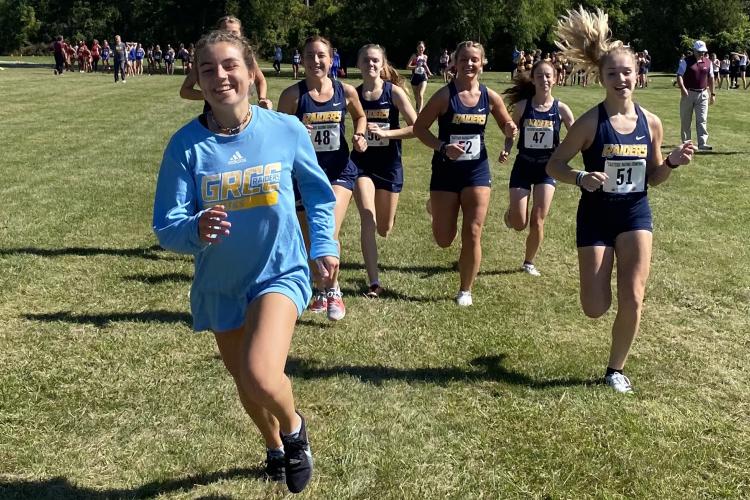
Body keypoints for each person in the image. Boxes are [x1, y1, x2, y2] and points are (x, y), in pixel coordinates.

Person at [153, 30, 333, 494]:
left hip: (279, 270)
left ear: (252, 73)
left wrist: (323, 245)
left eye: (229, 65)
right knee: (246, 383)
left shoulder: (285, 130)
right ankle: (273, 445)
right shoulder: (185, 147)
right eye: (207, 69)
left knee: (260, 371)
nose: (219, 76)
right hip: (221, 282)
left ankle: (294, 431)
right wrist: (195, 229)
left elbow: (316, 192)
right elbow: (166, 226)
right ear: (197, 79)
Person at [548, 7, 696, 393]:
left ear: (637, 75)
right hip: (595, 217)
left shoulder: (651, 123)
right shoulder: (589, 122)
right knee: (595, 307)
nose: (620, 79)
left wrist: (673, 163)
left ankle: (615, 369)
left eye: (626, 72)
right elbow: (554, 165)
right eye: (612, 73)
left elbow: (654, 177)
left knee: (634, 296)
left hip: (634, 214)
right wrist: (582, 177)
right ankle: (601, 284)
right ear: (601, 77)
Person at [413, 41, 517, 306]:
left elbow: (506, 122)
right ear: (455, 63)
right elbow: (420, 128)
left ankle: (465, 290)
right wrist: (442, 147)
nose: (469, 64)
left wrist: (509, 129)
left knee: (473, 231)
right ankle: (436, 209)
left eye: (475, 60)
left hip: (476, 171)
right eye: (464, 60)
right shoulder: (444, 96)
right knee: (444, 239)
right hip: (446, 173)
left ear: (482, 63)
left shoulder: (489, 97)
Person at [278, 35, 368, 320]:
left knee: (327, 232)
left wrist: (360, 134)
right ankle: (320, 289)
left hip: (339, 171)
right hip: (304, 175)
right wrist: (294, 135)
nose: (316, 61)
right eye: (309, 56)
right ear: (302, 60)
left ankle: (334, 291)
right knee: (310, 240)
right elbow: (277, 135)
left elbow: (360, 117)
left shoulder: (346, 92)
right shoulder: (293, 95)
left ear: (331, 59)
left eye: (321, 56)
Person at [350, 44, 418, 297]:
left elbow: (417, 128)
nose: (371, 64)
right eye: (366, 60)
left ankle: (387, 221)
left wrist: (386, 133)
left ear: (383, 64)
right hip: (361, 164)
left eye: (375, 60)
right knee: (368, 218)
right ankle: (374, 282)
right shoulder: (352, 95)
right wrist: (359, 138)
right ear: (358, 64)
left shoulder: (394, 92)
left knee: (384, 228)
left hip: (389, 165)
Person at [499, 59, 575, 277]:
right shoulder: (523, 107)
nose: (545, 80)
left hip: (547, 169)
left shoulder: (561, 109)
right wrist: (507, 148)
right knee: (520, 223)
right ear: (532, 79)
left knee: (538, 219)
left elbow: (577, 135)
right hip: (523, 165)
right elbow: (511, 133)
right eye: (540, 76)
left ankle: (529, 262)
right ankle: (512, 214)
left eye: (548, 75)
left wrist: (564, 154)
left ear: (556, 79)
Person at [180, 16, 272, 110]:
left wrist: (262, 98)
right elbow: (185, 91)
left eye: (234, 33)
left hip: (242, 112)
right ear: (217, 33)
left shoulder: (247, 57)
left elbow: (260, 80)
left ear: (241, 34)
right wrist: (213, 94)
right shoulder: (206, 59)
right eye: (225, 32)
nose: (230, 36)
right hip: (213, 114)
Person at [676, 40, 715, 151]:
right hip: (688, 93)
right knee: (686, 120)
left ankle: (702, 143)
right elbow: (679, 75)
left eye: (703, 51)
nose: (701, 54)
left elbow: (711, 78)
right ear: (694, 50)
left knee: (702, 119)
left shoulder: (708, 62)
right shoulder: (686, 61)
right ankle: (687, 143)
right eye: (699, 51)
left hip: (703, 94)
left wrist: (712, 94)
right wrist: (683, 89)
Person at [407, 41, 432, 112]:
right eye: (419, 47)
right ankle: (418, 108)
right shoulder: (414, 56)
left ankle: (420, 112)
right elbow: (408, 67)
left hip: (423, 77)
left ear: (424, 48)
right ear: (417, 48)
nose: (421, 49)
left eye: (422, 47)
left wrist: (429, 73)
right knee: (416, 97)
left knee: (420, 94)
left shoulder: (425, 56)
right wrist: (416, 66)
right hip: (414, 78)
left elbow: (425, 65)